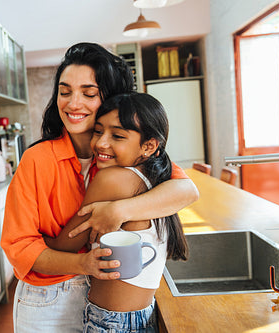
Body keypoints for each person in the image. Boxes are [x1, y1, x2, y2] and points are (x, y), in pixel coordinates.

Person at [1, 42, 198, 333]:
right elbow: (19, 248)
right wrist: (83, 264)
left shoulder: (124, 158)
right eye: (64, 92)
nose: (73, 103)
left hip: (106, 298)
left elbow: (186, 191)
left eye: (89, 93)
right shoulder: (37, 159)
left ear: (110, 98)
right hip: (49, 298)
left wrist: (117, 210)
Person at [45, 92, 189, 332]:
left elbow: (64, 245)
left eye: (118, 136)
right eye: (98, 131)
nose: (101, 143)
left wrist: (30, 237)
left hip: (112, 322)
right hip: (140, 314)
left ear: (149, 146)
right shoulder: (157, 179)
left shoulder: (113, 179)